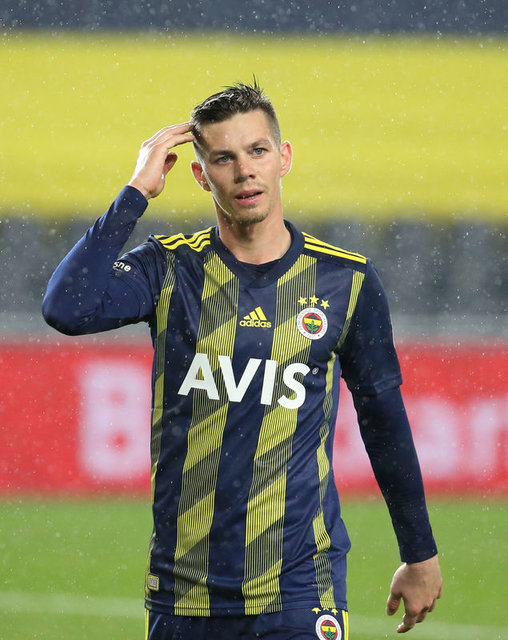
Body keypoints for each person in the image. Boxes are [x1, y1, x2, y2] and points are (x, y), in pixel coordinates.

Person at [42, 81, 442, 639]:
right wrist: (136, 191)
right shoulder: (170, 269)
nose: (245, 171)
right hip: (184, 590)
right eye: (224, 158)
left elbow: (384, 421)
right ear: (201, 175)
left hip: (301, 588)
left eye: (257, 151)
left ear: (284, 158)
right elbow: (67, 307)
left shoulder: (345, 281)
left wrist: (419, 553)